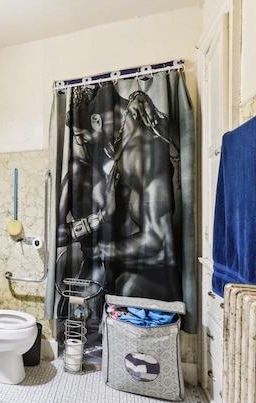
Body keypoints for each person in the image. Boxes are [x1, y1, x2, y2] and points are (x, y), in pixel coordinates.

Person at [57, 83, 182, 303]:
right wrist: (99, 219)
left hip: (145, 283)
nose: (79, 142)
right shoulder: (101, 150)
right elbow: (55, 235)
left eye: (80, 135)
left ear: (97, 121)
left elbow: (157, 240)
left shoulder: (141, 156)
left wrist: (102, 248)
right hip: (104, 275)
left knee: (127, 286)